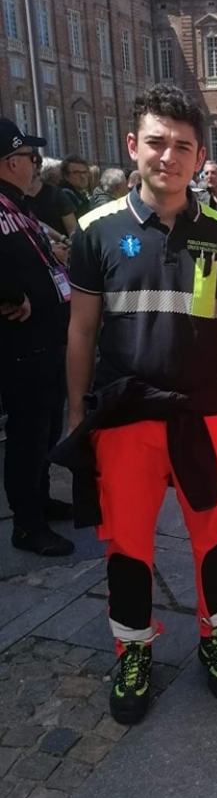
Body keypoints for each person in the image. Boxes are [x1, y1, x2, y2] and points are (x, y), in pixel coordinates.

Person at [63, 84, 217, 725]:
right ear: (132, 146)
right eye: (155, 143)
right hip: (124, 416)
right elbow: (82, 332)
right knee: (128, 544)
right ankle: (133, 650)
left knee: (216, 538)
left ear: (200, 157)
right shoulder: (96, 231)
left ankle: (215, 636)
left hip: (204, 413)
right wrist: (73, 416)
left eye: (182, 146)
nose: (167, 156)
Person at [0, 118, 74, 557]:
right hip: (21, 347)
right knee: (28, 437)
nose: (36, 165)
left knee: (45, 431)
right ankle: (26, 525)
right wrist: (11, 294)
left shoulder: (16, 205)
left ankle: (40, 501)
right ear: (11, 162)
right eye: (31, 158)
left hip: (47, 341)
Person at [59, 155, 92, 219]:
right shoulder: (66, 195)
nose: (82, 176)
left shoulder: (80, 195)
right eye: (76, 173)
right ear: (66, 176)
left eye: (85, 172)